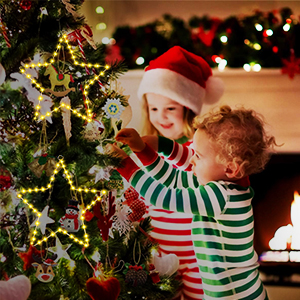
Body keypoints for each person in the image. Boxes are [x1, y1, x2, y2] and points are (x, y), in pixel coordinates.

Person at [109, 105, 278, 300]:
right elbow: (174, 178)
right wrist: (147, 149)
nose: (192, 161)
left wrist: (127, 167)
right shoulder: (226, 185)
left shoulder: (220, 197)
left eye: (198, 156)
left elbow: (164, 197)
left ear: (230, 169)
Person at [132, 46, 224, 300]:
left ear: (187, 108)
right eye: (153, 109)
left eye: (170, 108)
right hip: (159, 250)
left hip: (197, 253)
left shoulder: (199, 149)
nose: (160, 116)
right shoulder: (144, 149)